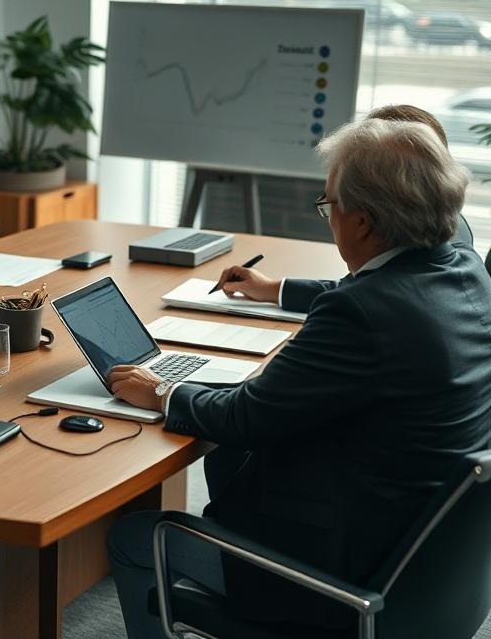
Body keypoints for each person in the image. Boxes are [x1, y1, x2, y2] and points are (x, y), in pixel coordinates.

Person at [106, 118, 491, 636]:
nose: (326, 217)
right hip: (423, 557)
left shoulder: (360, 311)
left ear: (362, 222)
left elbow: (246, 417)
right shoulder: (466, 269)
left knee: (134, 536)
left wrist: (163, 391)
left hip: (344, 574)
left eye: (328, 204)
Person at [219, 104, 473, 315]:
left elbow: (366, 299)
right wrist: (273, 289)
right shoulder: (457, 253)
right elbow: (373, 290)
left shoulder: (357, 309)